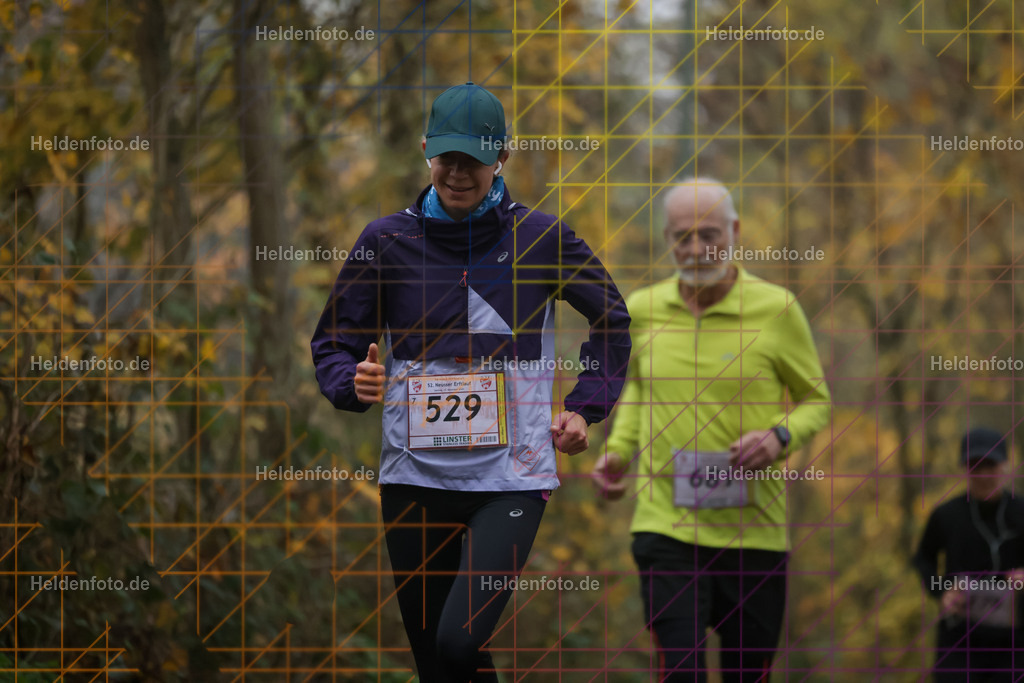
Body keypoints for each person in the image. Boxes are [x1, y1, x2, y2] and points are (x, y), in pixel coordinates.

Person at [311, 82, 632, 682]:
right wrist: (351, 381)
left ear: (501, 159)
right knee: (438, 663)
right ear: (427, 150)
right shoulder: (385, 241)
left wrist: (586, 407)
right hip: (413, 474)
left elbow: (611, 318)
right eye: (447, 158)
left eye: (475, 160)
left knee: (459, 645)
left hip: (510, 476)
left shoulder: (542, 239)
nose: (459, 173)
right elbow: (334, 340)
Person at [591, 178, 831, 682]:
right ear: (666, 239)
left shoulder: (777, 310)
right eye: (682, 237)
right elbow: (638, 386)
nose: (696, 249)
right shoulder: (643, 309)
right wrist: (618, 451)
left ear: (735, 230)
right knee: (681, 673)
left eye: (708, 234)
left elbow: (817, 401)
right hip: (665, 526)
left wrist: (779, 438)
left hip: (755, 534)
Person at [912, 427, 1024, 682]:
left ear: (1005, 466)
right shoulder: (947, 515)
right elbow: (922, 559)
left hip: (1016, 640)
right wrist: (942, 591)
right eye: (975, 466)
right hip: (959, 638)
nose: (983, 474)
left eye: (991, 465)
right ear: (965, 468)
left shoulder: (1021, 512)